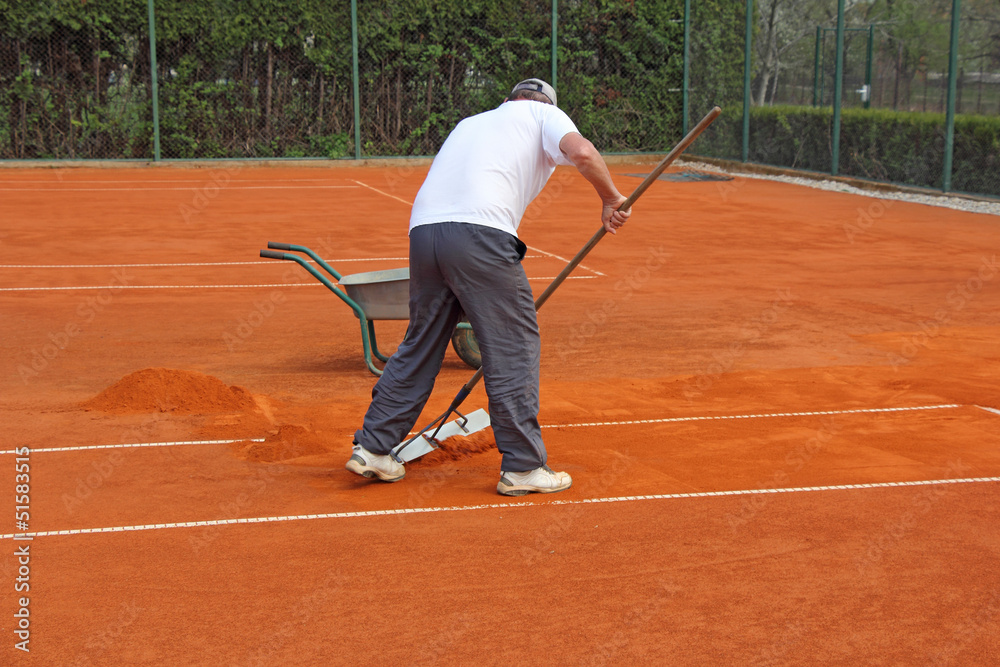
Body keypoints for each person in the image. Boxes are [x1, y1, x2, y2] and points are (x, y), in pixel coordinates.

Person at [346, 78, 631, 495]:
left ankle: (373, 448)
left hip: (424, 233)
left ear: (508, 100)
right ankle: (522, 466)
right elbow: (583, 152)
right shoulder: (544, 114)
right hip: (479, 233)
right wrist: (610, 198)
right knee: (513, 345)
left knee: (421, 339)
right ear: (547, 105)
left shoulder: (472, 122)